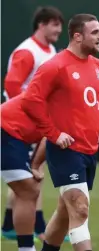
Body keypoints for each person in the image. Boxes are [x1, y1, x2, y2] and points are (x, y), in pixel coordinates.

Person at [21, 13, 99, 251]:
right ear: (77, 36)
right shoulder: (55, 66)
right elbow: (30, 101)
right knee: (80, 208)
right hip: (65, 150)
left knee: (66, 212)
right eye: (95, 32)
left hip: (89, 149)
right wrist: (53, 134)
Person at [2, 6, 65, 242]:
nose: (59, 29)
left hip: (32, 124)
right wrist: (35, 110)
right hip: (17, 125)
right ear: (41, 24)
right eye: (55, 24)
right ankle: (37, 228)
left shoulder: (50, 50)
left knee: (26, 180)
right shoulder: (27, 52)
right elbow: (12, 85)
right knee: (30, 180)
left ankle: (12, 225)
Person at [1, 94, 48, 251]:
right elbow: (50, 137)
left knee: (28, 190)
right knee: (28, 189)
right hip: (7, 130)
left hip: (13, 134)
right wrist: (35, 165)